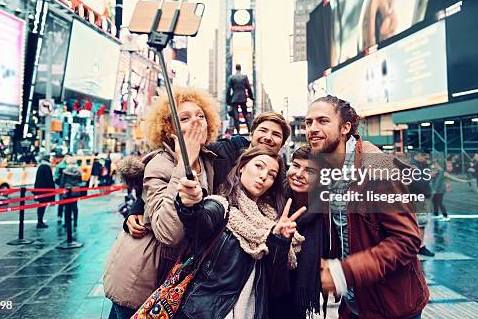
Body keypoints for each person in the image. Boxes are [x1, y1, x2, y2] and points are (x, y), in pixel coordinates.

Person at [306, 95, 428, 319]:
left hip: (392, 306)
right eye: (308, 122)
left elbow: (407, 240)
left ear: (345, 128)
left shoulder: (379, 168)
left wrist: (345, 272)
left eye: (322, 121)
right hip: (353, 302)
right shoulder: (322, 171)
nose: (312, 128)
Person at [103, 87, 220, 319]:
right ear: (170, 130)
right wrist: (181, 167)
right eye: (184, 118)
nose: (195, 122)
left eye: (200, 115)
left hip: (174, 279)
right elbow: (168, 233)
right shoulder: (160, 165)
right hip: (140, 280)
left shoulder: (210, 161)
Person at [172, 146, 305, 319]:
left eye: (272, 175)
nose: (264, 176)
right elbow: (198, 222)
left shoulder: (273, 221)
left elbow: (277, 286)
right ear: (242, 166)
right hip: (205, 314)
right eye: (259, 166)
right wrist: (189, 204)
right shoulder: (220, 206)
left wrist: (279, 240)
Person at [124, 111, 291, 238]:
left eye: (276, 134)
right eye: (263, 130)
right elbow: (175, 162)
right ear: (252, 134)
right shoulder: (221, 151)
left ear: (282, 144)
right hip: (208, 239)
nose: (268, 137)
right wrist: (138, 206)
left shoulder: (282, 179)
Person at [269, 146, 329, 319]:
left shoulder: (327, 211)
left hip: (299, 293)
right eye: (295, 166)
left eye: (309, 170)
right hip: (269, 289)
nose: (299, 174)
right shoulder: (272, 198)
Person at [410, 151, 435, 257]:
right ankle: (419, 246)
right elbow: (418, 184)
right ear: (418, 155)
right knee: (421, 223)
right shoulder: (414, 167)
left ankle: (418, 245)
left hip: (418, 197)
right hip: (418, 197)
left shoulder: (418, 165)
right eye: (425, 157)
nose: (426, 160)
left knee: (419, 223)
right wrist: (430, 176)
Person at [226, 63, 254, 132]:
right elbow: (248, 88)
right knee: (246, 114)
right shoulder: (244, 77)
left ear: (236, 68)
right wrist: (251, 97)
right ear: (240, 68)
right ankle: (249, 130)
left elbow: (228, 89)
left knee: (236, 116)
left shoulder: (231, 77)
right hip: (243, 98)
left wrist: (228, 100)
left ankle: (238, 131)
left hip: (234, 99)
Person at [59, 155, 83, 228]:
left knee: (67, 208)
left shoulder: (65, 171)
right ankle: (75, 222)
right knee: (75, 207)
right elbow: (80, 181)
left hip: (67, 190)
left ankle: (67, 222)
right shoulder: (78, 171)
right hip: (75, 190)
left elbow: (62, 182)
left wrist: (61, 189)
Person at [33, 155, 55, 228]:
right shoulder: (46, 167)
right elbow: (49, 180)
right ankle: (40, 221)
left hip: (40, 189)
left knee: (41, 205)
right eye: (51, 158)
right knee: (42, 206)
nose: (53, 159)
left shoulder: (41, 166)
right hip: (44, 190)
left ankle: (40, 221)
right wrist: (52, 190)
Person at [53, 155, 69, 221]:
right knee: (64, 202)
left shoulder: (59, 166)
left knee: (62, 202)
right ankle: (63, 216)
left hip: (63, 186)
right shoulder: (60, 166)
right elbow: (56, 177)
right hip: (65, 186)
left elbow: (55, 177)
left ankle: (61, 216)